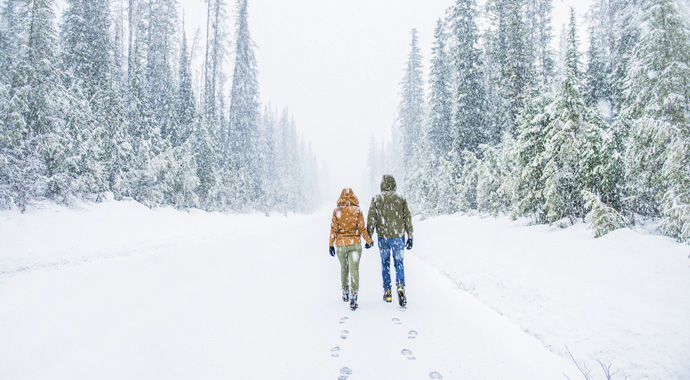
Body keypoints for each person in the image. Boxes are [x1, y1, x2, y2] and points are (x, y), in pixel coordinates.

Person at [366, 175, 413, 306]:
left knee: (385, 263)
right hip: (398, 236)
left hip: (383, 237)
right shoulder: (401, 198)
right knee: (399, 262)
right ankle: (400, 285)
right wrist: (411, 235)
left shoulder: (377, 199)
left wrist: (368, 236)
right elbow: (407, 217)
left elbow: (371, 219)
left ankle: (387, 290)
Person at [329, 188, 374, 310]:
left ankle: (345, 292)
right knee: (354, 270)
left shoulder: (337, 211)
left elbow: (334, 229)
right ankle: (354, 295)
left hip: (341, 245)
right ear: (354, 197)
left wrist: (331, 244)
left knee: (344, 269)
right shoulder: (357, 210)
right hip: (355, 244)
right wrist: (368, 241)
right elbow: (362, 228)